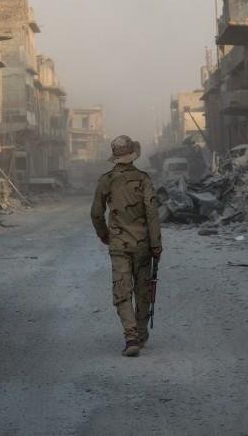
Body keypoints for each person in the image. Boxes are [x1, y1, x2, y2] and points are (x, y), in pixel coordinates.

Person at [91, 135, 163, 357]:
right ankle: (140, 333)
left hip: (119, 245)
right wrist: (156, 245)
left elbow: (96, 213)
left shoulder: (107, 179)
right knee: (143, 288)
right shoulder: (144, 179)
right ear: (133, 155)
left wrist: (105, 235)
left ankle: (130, 336)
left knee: (122, 289)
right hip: (143, 245)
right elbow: (152, 214)